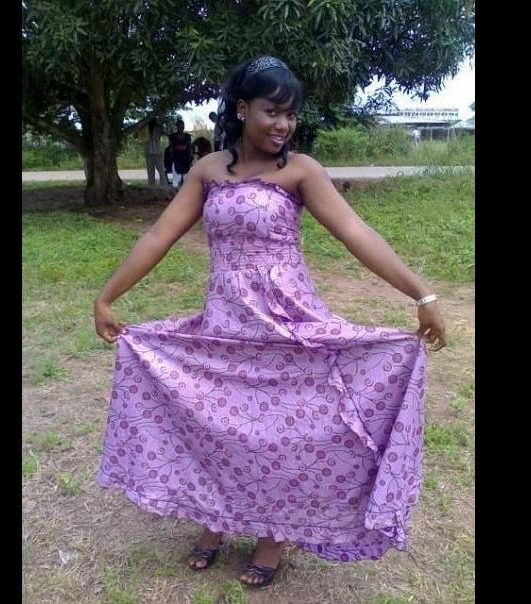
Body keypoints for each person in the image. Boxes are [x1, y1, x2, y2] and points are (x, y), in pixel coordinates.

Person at [94, 56, 446, 589]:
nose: (283, 124)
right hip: (226, 328)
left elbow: (356, 233)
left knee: (283, 438)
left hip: (287, 329)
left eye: (290, 114)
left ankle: (272, 535)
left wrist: (422, 293)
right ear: (242, 109)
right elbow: (159, 234)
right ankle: (214, 519)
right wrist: (108, 295)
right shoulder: (208, 171)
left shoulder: (300, 171)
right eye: (272, 111)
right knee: (216, 425)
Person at [169, 119, 192, 188]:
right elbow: (171, 147)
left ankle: (186, 191)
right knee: (176, 178)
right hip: (176, 159)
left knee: (186, 178)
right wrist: (172, 155)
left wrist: (190, 157)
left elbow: (189, 147)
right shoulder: (173, 136)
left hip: (186, 159)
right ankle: (175, 192)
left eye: (182, 125)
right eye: (179, 125)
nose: (181, 127)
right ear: (177, 126)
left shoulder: (187, 136)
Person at [144, 117, 168, 186]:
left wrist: (163, 125)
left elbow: (166, 133)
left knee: (162, 172)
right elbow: (136, 136)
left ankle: (164, 188)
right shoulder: (145, 128)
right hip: (149, 154)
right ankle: (152, 189)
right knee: (150, 173)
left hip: (158, 153)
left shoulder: (159, 127)